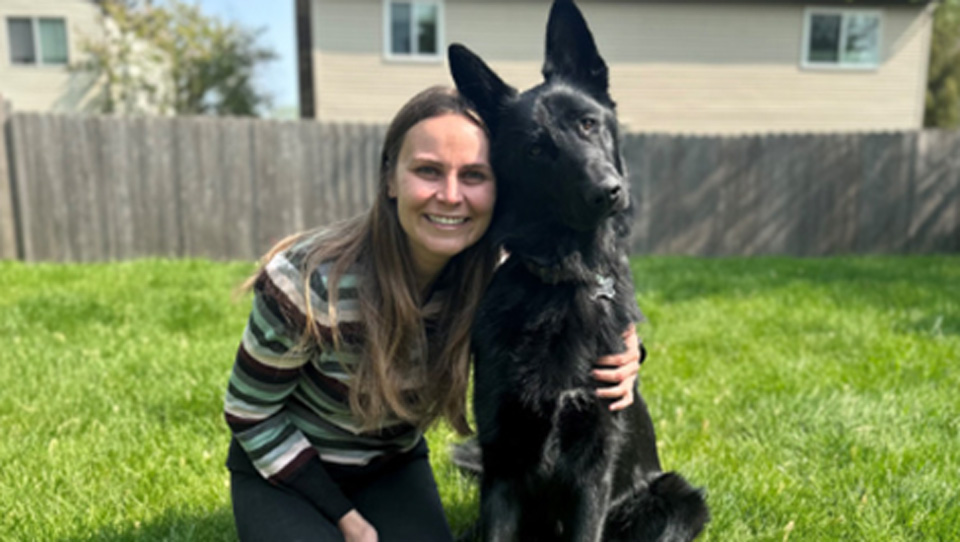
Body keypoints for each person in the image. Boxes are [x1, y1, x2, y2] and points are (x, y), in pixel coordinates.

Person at [223, 86, 643, 542]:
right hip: (287, 468)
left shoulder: (498, 279)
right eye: (428, 171)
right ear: (389, 179)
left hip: (390, 466)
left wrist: (630, 350)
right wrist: (346, 519)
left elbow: (590, 296)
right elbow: (249, 412)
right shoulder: (307, 282)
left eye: (474, 175)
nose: (450, 195)